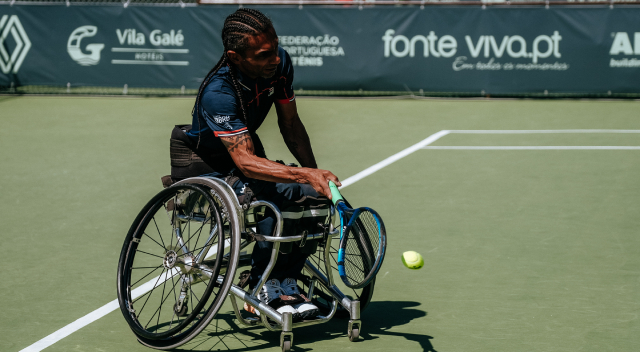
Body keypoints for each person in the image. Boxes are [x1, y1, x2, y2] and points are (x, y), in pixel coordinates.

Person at [184, 8, 341, 320]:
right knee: (276, 199)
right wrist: (303, 174)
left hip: (250, 159)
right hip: (212, 168)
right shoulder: (218, 92)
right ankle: (259, 286)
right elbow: (243, 162)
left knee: (310, 197)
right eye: (264, 54)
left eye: (275, 47)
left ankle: (287, 282)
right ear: (235, 56)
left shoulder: (279, 65)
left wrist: (315, 177)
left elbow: (291, 125)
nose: (275, 57)